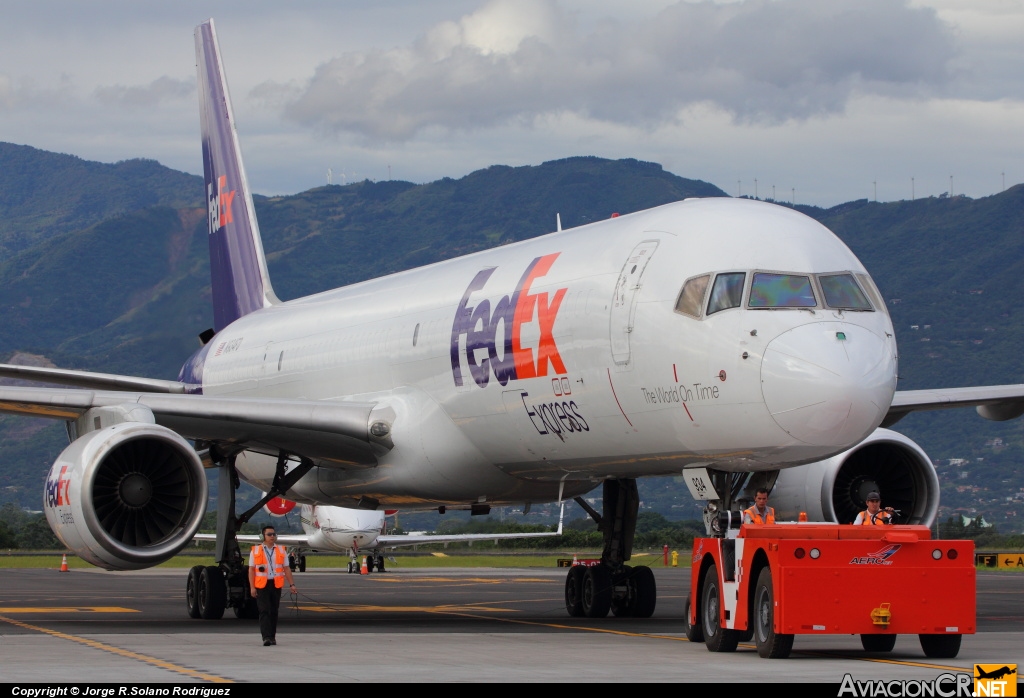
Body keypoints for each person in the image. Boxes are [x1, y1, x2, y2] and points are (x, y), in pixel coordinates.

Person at [249, 525, 297, 646]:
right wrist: (252, 587)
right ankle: (266, 637)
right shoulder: (255, 550)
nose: (272, 536)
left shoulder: (281, 550)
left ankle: (272, 636)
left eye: (274, 534)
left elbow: (286, 568)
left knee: (274, 611)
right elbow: (251, 570)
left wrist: (292, 584)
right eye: (269, 534)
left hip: (275, 584)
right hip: (262, 585)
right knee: (264, 610)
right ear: (263, 536)